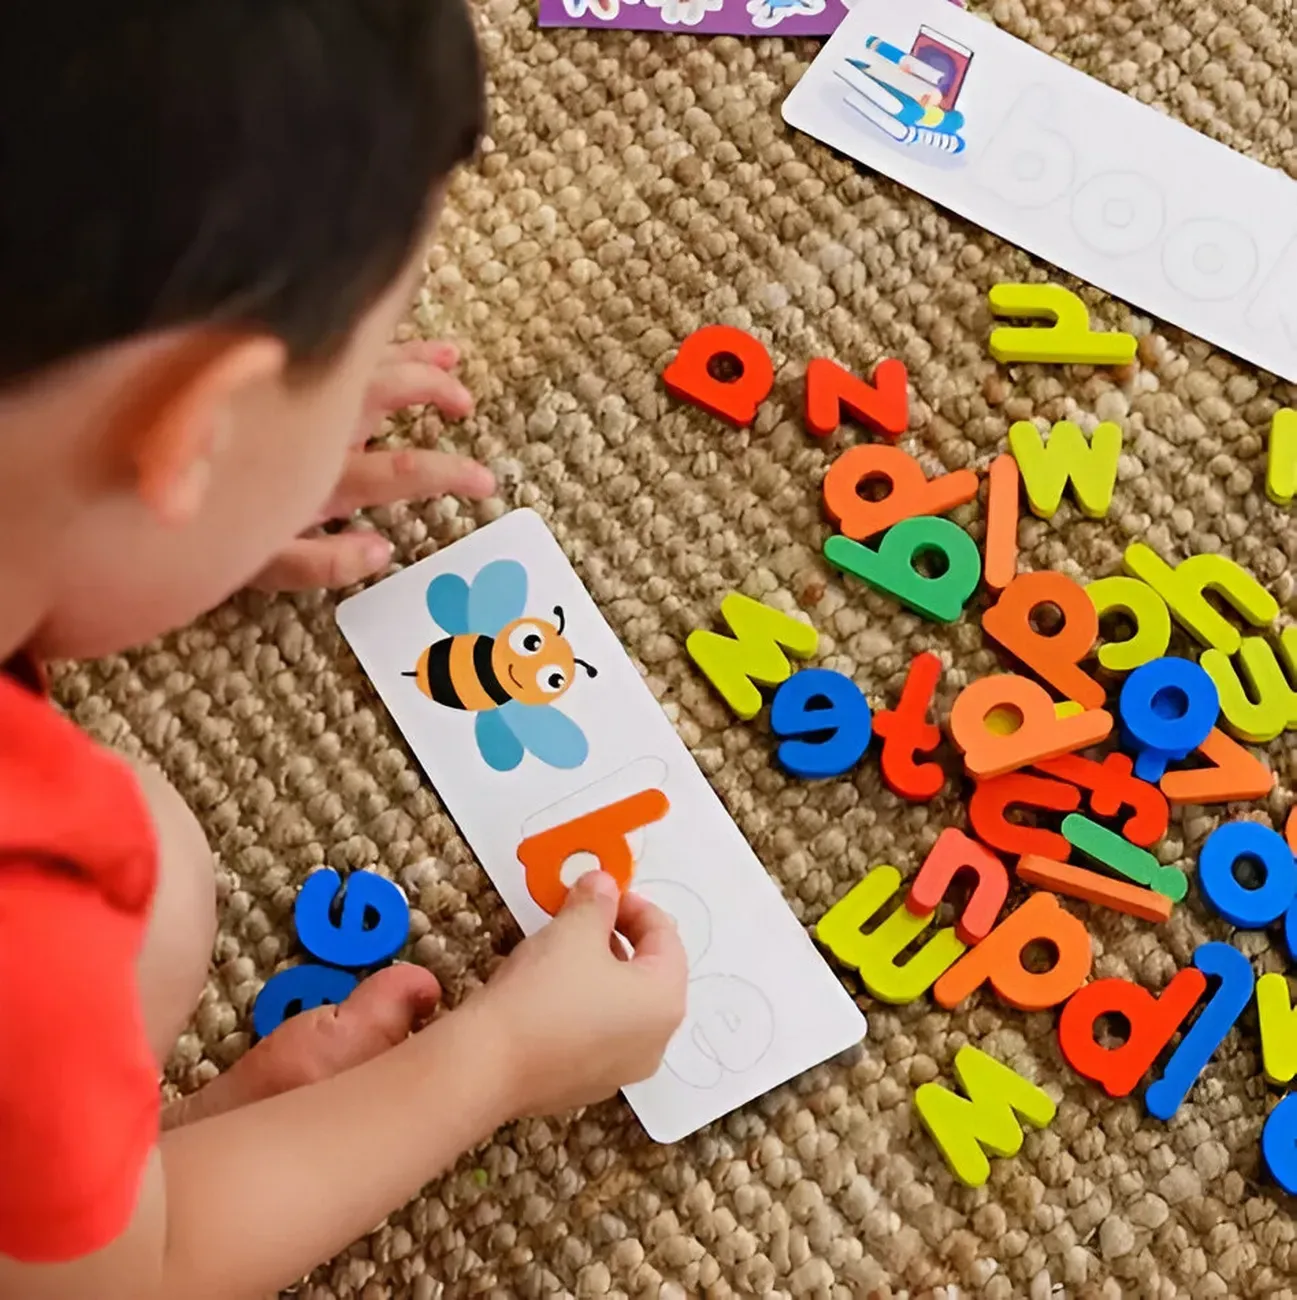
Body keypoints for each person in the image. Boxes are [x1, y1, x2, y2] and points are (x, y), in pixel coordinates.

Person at [0, 4, 689, 1297]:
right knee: (147, 899)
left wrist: (121, 495)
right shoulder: (23, 924)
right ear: (188, 432)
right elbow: (139, 1286)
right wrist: (494, 1063)